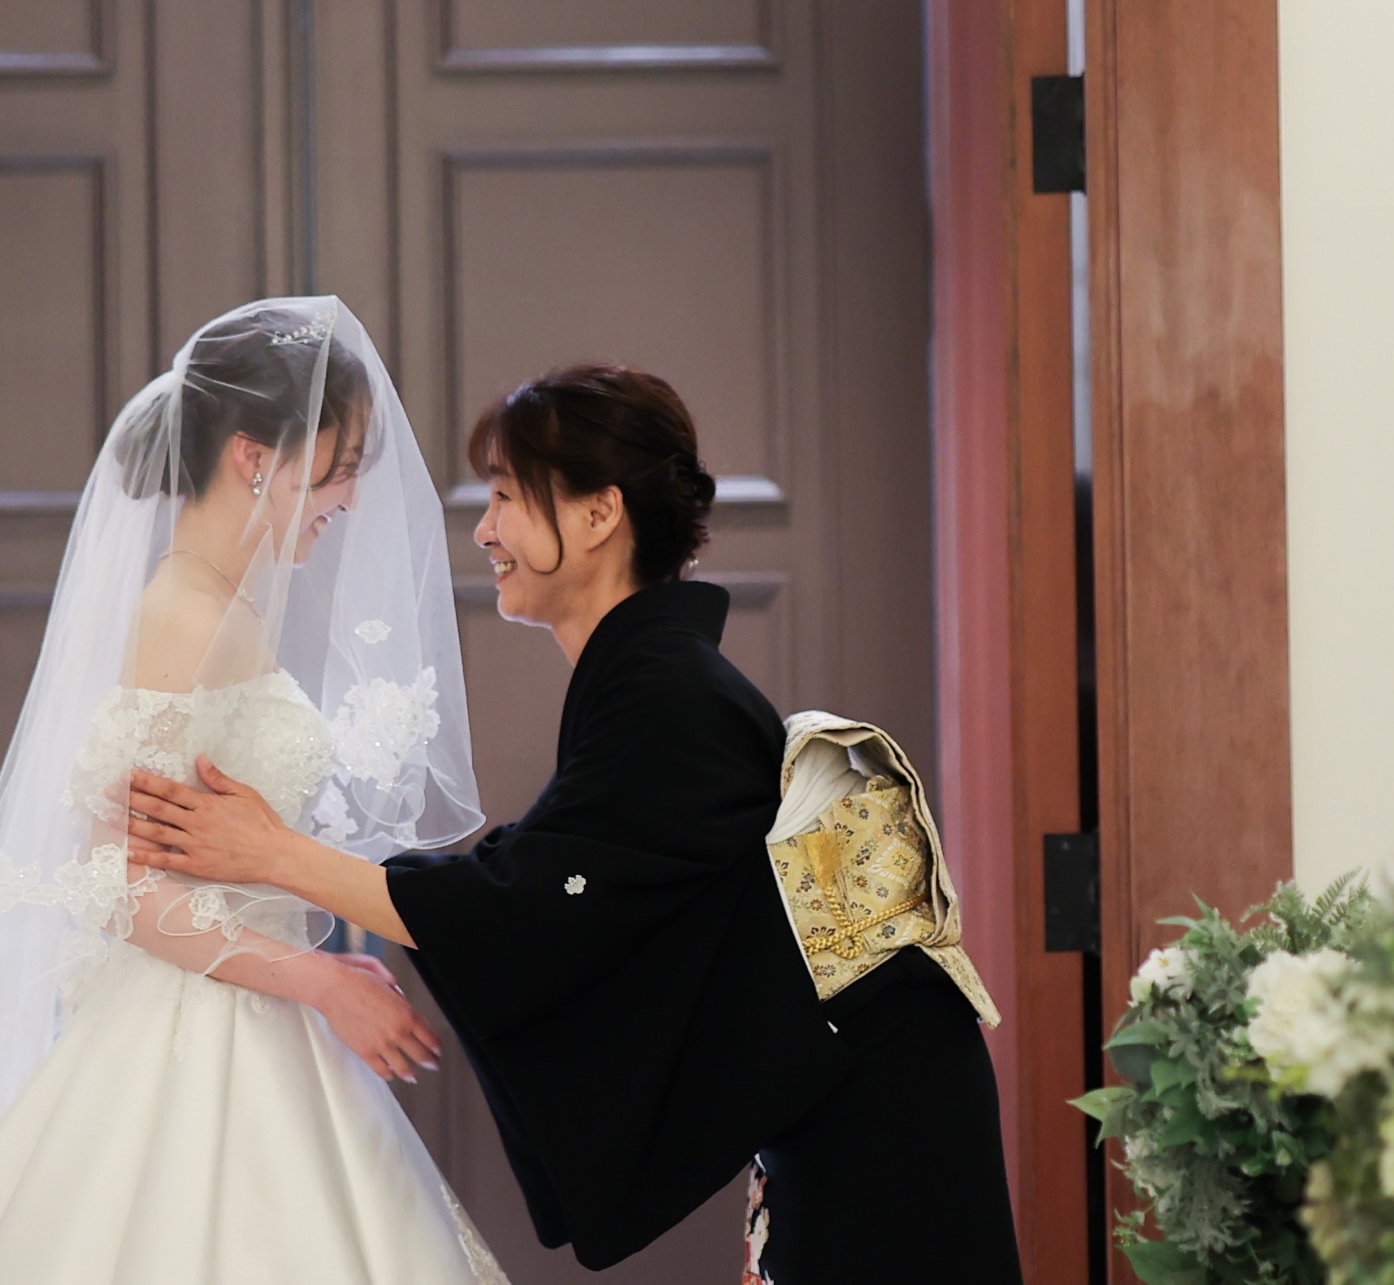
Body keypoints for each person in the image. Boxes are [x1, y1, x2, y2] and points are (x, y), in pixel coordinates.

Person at [125, 363, 1024, 1282]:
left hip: (881, 1114)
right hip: (842, 1091)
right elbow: (544, 889)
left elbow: (521, 909)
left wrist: (275, 853)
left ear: (599, 515)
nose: (485, 530)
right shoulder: (652, 680)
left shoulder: (671, 694)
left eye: (507, 497)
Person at [0, 297, 509, 1285]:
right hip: (195, 1036)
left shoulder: (222, 606)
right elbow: (123, 884)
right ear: (253, 456)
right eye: (340, 462)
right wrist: (318, 979)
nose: (351, 495)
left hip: (253, 1020)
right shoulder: (185, 616)